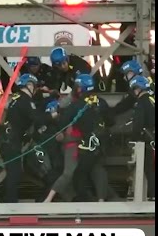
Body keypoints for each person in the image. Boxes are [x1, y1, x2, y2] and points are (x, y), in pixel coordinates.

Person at [43, 74, 109, 202]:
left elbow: (63, 121)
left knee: (71, 172)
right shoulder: (100, 102)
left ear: (79, 89)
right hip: (96, 142)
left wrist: (56, 117)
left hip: (79, 143)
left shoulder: (76, 105)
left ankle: (49, 199)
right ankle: (101, 200)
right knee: (96, 169)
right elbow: (110, 120)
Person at [0, 73, 57, 203]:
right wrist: (53, 115)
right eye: (34, 87)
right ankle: (10, 203)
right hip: (11, 141)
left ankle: (4, 200)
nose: (35, 90)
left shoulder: (17, 99)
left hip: (6, 139)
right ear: (29, 85)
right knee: (15, 173)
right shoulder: (25, 100)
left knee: (12, 171)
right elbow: (37, 118)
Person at [23, 99, 65, 201]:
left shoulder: (54, 126)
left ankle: (46, 200)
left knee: (54, 177)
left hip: (44, 162)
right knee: (53, 177)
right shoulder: (45, 125)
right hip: (40, 161)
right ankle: (44, 201)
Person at [128, 75, 155, 200]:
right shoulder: (152, 99)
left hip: (147, 141)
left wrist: (134, 139)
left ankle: (152, 195)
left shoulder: (141, 103)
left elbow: (138, 124)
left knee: (149, 168)